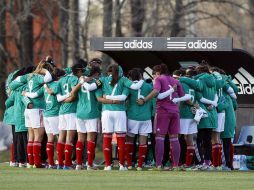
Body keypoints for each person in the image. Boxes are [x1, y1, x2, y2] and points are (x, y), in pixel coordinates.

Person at [137, 63, 185, 170]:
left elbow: (156, 91)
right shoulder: (176, 81)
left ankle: (158, 165)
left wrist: (144, 100)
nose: (154, 76)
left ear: (158, 73)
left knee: (159, 138)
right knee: (174, 138)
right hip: (175, 112)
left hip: (163, 111)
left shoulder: (159, 79)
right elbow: (183, 96)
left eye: (154, 74)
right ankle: (176, 165)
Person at [56, 61, 86, 170]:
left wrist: (65, 100)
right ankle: (67, 164)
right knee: (69, 139)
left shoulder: (61, 80)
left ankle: (60, 163)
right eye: (81, 71)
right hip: (71, 111)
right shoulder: (74, 79)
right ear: (77, 71)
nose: (82, 73)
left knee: (61, 138)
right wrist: (69, 98)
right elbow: (73, 94)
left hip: (62, 111)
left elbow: (58, 98)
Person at [125, 68, 153, 171]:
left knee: (129, 141)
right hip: (145, 117)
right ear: (141, 76)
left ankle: (129, 164)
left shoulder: (129, 86)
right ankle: (140, 165)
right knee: (143, 142)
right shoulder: (148, 86)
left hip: (132, 117)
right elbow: (156, 94)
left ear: (131, 77)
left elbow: (125, 98)